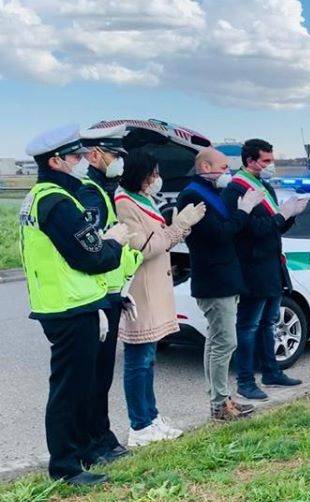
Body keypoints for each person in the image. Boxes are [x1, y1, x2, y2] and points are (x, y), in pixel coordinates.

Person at [20, 125, 136, 485]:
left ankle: (81, 451)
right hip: (70, 309)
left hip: (71, 304)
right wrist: (115, 242)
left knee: (78, 385)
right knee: (69, 390)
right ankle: (65, 467)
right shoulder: (57, 203)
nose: (83, 161)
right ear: (55, 161)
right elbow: (93, 258)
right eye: (75, 157)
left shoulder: (44, 197)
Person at [115, 150, 206, 447]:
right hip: (141, 291)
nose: (156, 179)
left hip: (155, 287)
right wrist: (178, 226)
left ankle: (151, 418)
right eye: (151, 174)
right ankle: (139, 426)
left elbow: (161, 240)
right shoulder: (125, 203)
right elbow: (143, 247)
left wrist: (176, 228)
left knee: (148, 359)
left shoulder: (143, 199)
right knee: (138, 361)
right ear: (138, 175)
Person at [75, 124, 143, 467]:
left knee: (101, 374)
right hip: (98, 296)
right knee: (95, 376)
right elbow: (94, 251)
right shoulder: (90, 193)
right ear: (96, 154)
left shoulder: (104, 188)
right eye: (115, 155)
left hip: (111, 293)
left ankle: (100, 437)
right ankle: (94, 442)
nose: (119, 161)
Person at [177, 148, 262, 421]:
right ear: (205, 166)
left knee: (216, 341)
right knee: (225, 342)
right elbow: (219, 234)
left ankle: (220, 398)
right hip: (215, 279)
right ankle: (219, 404)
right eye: (223, 167)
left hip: (223, 277)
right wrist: (244, 211)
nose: (227, 173)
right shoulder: (192, 195)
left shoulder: (209, 192)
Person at [221, 139, 307, 401]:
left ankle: (271, 371)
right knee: (248, 326)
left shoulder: (265, 185)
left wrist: (290, 215)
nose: (271, 165)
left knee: (269, 322)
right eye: (266, 161)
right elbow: (252, 230)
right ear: (250, 162)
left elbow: (274, 227)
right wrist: (281, 215)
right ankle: (245, 381)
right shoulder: (236, 190)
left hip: (271, 266)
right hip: (252, 267)